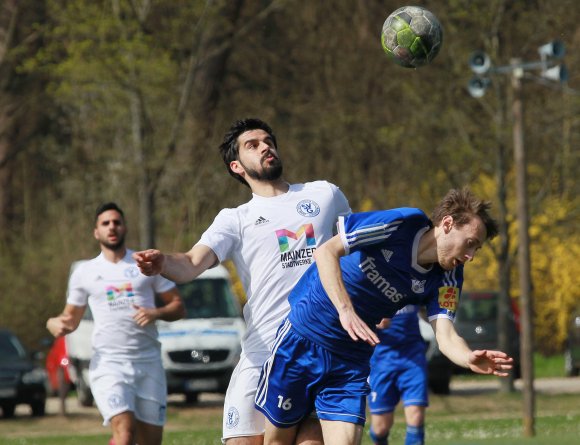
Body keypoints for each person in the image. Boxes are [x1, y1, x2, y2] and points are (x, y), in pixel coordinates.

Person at [132, 118, 351, 444]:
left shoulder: (324, 195)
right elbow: (191, 263)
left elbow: (357, 250)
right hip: (261, 355)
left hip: (321, 353)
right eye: (253, 144)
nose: (265, 146)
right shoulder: (235, 219)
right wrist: (163, 262)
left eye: (268, 140)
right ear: (237, 166)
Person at [254, 187, 514, 445]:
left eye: (476, 250)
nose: (470, 256)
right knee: (278, 441)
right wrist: (346, 310)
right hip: (303, 338)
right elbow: (326, 252)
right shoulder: (402, 224)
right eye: (470, 244)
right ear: (447, 223)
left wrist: (468, 357)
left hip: (350, 360)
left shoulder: (449, 277)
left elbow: (445, 333)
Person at [46, 202, 185, 445]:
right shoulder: (85, 272)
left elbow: (178, 307)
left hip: (148, 362)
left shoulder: (144, 263)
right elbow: (70, 319)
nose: (112, 227)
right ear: (96, 232)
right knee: (124, 432)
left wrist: (155, 312)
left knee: (150, 441)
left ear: (125, 228)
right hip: (109, 363)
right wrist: (54, 323)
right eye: (105, 223)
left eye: (117, 222)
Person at [367, 305, 429, 445]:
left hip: (413, 360)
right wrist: (373, 321)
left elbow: (428, 314)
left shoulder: (414, 285)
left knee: (416, 417)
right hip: (381, 363)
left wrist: (428, 309)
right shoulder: (374, 287)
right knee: (380, 429)